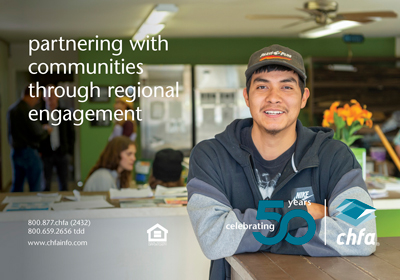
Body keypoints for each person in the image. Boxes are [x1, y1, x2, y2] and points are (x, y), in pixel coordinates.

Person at [186, 44, 376, 280]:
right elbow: (214, 237)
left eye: (286, 87)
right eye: (262, 86)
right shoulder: (211, 156)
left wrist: (247, 233)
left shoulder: (336, 157)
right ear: (247, 96)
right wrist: (300, 213)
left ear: (303, 97)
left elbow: (361, 234)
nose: (273, 98)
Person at [7, 84, 52, 192]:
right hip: (29, 153)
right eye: (37, 98)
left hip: (16, 151)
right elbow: (37, 133)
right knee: (35, 187)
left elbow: (9, 134)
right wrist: (46, 130)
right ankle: (35, 208)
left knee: (17, 185)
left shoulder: (12, 110)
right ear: (32, 95)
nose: (36, 102)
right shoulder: (27, 110)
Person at [39, 84, 75, 191]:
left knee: (64, 184)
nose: (51, 97)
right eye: (48, 95)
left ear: (58, 96)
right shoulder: (38, 113)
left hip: (62, 153)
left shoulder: (65, 112)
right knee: (45, 185)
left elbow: (71, 134)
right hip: (46, 154)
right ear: (44, 97)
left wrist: (69, 152)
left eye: (53, 94)